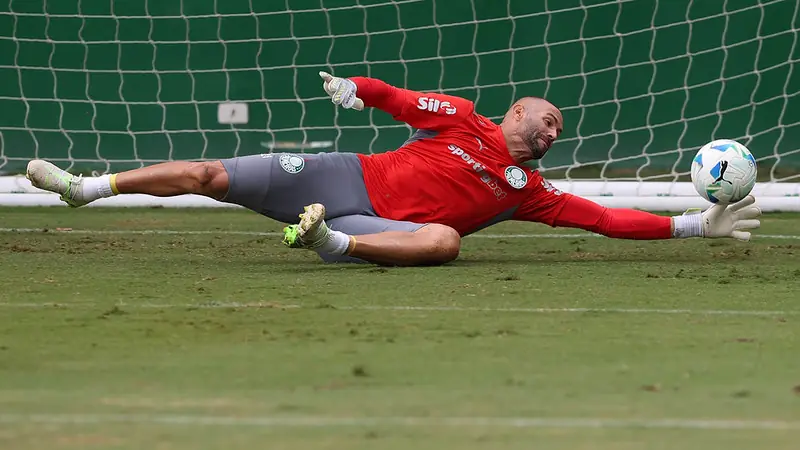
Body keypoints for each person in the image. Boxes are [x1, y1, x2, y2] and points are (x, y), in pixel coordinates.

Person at [26, 72, 762, 266]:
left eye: (558, 132)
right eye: (546, 119)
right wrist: (357, 90)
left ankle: (330, 242)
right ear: (514, 113)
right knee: (208, 174)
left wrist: (693, 226)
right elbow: (397, 99)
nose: (552, 132)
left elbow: (604, 219)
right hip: (339, 177)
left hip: (376, 227)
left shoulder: (529, 193)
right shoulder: (462, 117)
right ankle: (85, 188)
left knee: (446, 242)